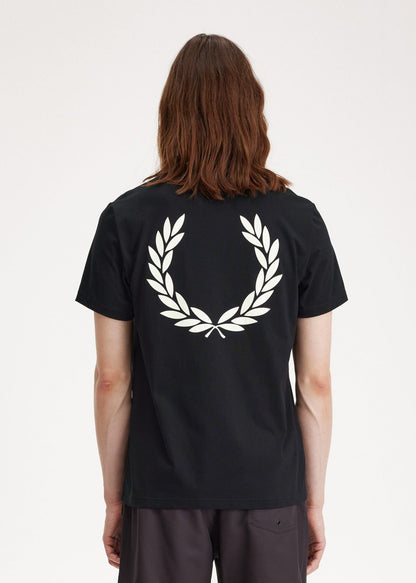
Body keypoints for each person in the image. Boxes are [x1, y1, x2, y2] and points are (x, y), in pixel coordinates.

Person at [75, 33, 348, 583]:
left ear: (170, 115)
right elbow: (315, 382)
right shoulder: (299, 222)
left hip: (161, 489)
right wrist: (312, 502)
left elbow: (111, 379)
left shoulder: (126, 221)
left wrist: (114, 498)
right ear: (253, 113)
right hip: (269, 488)